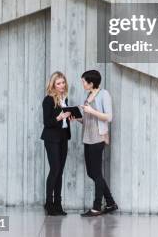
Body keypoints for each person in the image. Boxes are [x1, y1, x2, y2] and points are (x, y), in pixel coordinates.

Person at [79, 70, 118, 216]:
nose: (82, 84)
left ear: (91, 82)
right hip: (87, 137)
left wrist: (91, 110)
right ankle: (110, 203)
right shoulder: (88, 95)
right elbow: (88, 118)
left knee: (96, 173)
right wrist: (78, 118)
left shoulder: (104, 94)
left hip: (98, 137)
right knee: (92, 172)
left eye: (83, 81)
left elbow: (109, 117)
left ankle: (96, 206)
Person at [40, 71, 72, 216]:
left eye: (63, 82)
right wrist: (59, 118)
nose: (61, 85)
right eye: (58, 83)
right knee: (55, 170)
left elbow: (63, 119)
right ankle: (49, 203)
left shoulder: (65, 98)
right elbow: (47, 122)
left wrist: (68, 118)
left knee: (60, 171)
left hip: (63, 137)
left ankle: (58, 204)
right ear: (53, 85)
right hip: (51, 138)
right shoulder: (48, 100)